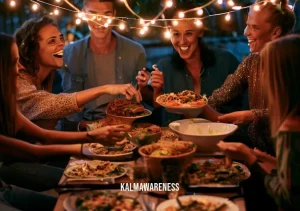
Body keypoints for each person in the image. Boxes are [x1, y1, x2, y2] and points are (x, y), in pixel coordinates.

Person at [0, 32, 130, 210]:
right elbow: (34, 150)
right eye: (14, 62)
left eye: (61, 38)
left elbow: (45, 135)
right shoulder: (20, 88)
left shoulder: (48, 79)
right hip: (14, 167)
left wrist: (91, 135)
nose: (19, 68)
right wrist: (88, 146)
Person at [218, 34, 300, 211]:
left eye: (268, 70)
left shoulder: (291, 129)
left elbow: (288, 200)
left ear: (282, 77)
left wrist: (251, 159)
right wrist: (259, 156)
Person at [15, 16, 141, 130]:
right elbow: (54, 104)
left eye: (61, 38)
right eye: (51, 41)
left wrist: (98, 125)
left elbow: (56, 124)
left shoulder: (48, 77)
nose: (61, 44)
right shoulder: (18, 82)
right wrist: (106, 88)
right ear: (33, 50)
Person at [204, 0, 296, 155]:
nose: (246, 32)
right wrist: (194, 103)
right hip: (256, 151)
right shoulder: (252, 61)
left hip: (289, 157)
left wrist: (251, 115)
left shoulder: (293, 65)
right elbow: (219, 97)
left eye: (254, 27)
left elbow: (291, 114)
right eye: (247, 24)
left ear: (275, 32)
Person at [141, 12, 241, 126]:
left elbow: (244, 106)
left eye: (188, 33)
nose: (182, 41)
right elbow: (158, 106)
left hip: (222, 137)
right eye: (176, 34)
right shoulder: (164, 66)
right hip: (177, 140)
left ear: (200, 32)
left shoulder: (225, 61)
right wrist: (155, 89)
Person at [60, 0, 147, 124]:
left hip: (125, 126)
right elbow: (68, 105)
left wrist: (144, 86)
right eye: (93, 14)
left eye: (106, 14)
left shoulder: (135, 51)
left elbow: (142, 99)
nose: (100, 21)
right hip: (86, 129)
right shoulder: (70, 54)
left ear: (114, 14)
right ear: (83, 14)